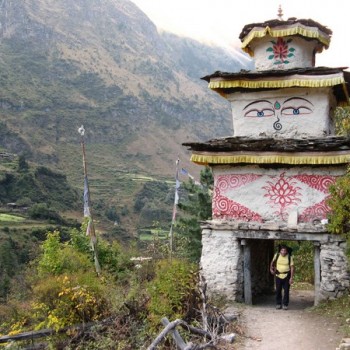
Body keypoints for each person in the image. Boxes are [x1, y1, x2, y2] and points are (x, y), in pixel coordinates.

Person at [270, 245, 294, 310]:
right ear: (280, 251)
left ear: (286, 251)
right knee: (278, 290)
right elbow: (272, 262)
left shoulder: (289, 257)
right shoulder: (277, 255)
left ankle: (285, 304)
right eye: (282, 250)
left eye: (284, 251)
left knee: (286, 291)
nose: (283, 252)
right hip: (278, 275)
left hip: (286, 276)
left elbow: (292, 267)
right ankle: (278, 304)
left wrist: (291, 277)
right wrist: (271, 269)